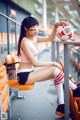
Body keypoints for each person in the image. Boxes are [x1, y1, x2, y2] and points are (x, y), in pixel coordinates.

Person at [17, 16, 80, 117]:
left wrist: (55, 27)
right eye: (32, 27)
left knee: (57, 73)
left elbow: (50, 39)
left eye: (36, 26)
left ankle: (61, 105)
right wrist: (53, 63)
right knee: (55, 68)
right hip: (23, 76)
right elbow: (35, 63)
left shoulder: (35, 39)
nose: (36, 29)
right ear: (25, 29)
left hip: (30, 73)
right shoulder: (25, 42)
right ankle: (75, 89)